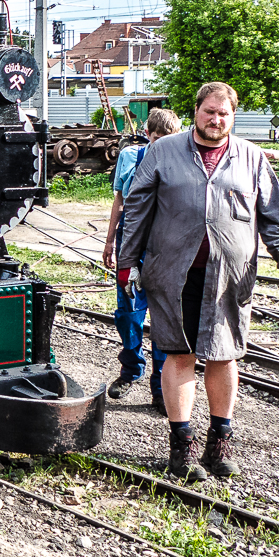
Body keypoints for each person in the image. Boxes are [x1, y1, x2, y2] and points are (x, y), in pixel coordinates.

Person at [118, 82, 279, 482]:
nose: (216, 120)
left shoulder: (251, 157)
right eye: (209, 112)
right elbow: (137, 209)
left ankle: (219, 442)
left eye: (224, 114)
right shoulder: (163, 152)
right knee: (178, 354)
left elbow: (274, 214)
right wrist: (127, 261)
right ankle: (181, 447)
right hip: (172, 273)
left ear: (232, 117)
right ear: (196, 110)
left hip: (230, 276)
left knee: (224, 355)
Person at [102, 108, 182, 414]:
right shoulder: (129, 157)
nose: (162, 144)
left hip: (166, 250)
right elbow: (119, 203)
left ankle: (161, 384)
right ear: (148, 134)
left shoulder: (182, 162)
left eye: (169, 139)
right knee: (128, 314)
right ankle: (130, 370)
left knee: (165, 319)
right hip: (131, 246)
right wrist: (110, 242)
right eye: (158, 138)